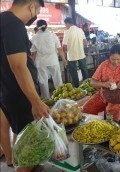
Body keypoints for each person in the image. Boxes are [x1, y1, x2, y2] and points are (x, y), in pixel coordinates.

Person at [0, 0, 50, 171]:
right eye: (36, 11)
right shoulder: (14, 24)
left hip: (7, 92)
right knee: (30, 151)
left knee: (21, 138)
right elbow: (19, 66)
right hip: (20, 94)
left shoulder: (2, 20)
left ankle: (17, 162)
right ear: (31, 6)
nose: (35, 16)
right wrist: (36, 102)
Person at [30, 19, 67, 99]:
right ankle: (61, 98)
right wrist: (64, 60)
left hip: (40, 63)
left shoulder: (34, 38)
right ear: (46, 26)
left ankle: (46, 100)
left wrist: (31, 65)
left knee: (43, 82)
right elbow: (59, 49)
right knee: (58, 80)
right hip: (53, 61)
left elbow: (33, 54)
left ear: (37, 27)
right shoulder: (53, 36)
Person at [63, 17, 88, 87]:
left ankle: (77, 87)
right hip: (81, 54)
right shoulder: (80, 30)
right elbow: (85, 42)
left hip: (71, 56)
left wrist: (65, 53)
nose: (65, 26)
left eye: (65, 24)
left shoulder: (67, 32)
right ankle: (87, 85)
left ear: (67, 23)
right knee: (84, 70)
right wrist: (80, 47)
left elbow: (64, 46)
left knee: (74, 72)